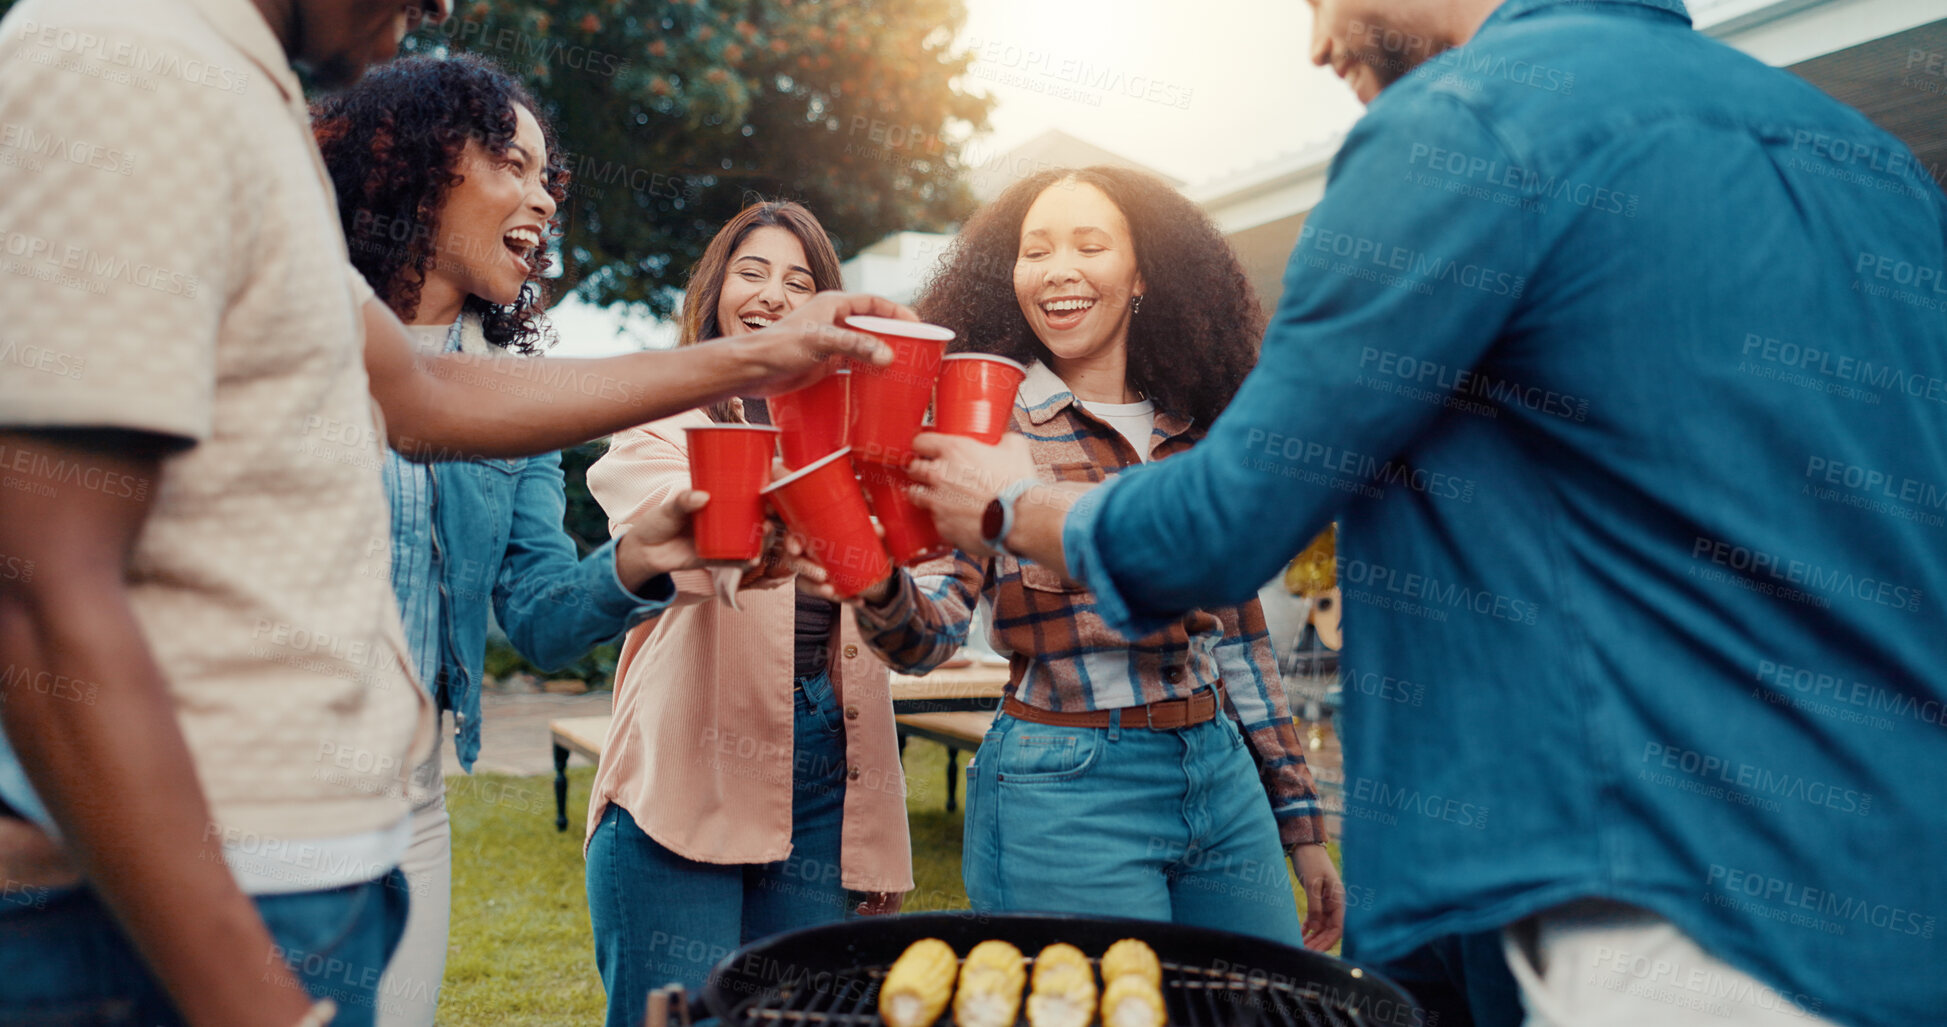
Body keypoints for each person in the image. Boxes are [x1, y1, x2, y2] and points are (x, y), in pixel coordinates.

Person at [905, 0, 1946, 1024]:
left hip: (1650, 903)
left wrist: (1009, 506)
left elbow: (1225, 524)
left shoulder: (1465, 125)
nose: (1315, 43)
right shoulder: (1874, 163)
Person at [0, 0, 906, 1023]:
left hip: (357, 846)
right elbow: (37, 582)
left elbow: (423, 402)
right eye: (507, 163)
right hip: (193, 881)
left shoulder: (248, 111)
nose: (439, 7)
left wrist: (755, 363)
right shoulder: (124, 54)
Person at [842, 166, 1344, 951]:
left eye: (1090, 244)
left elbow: (1241, 637)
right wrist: (871, 577)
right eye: (1034, 250)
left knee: (1256, 1004)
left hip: (1217, 768)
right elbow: (927, 635)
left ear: (1140, 272)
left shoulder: (1197, 429)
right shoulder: (983, 430)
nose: (1058, 269)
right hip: (1065, 787)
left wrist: (1299, 819)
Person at [311, 54, 696, 1027]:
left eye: (546, 176)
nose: (542, 198)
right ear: (414, 168)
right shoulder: (295, 329)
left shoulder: (516, 399)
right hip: (254, 790)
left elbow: (540, 620)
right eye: (510, 165)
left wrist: (639, 556)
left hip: (409, 806)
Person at [580, 201, 913, 1027]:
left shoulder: (855, 433)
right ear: (716, 288)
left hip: (825, 758)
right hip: (685, 763)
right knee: (681, 1014)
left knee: (798, 1011)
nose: (772, 293)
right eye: (752, 271)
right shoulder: (664, 414)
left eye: (799, 282)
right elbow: (670, 533)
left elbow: (893, 610)